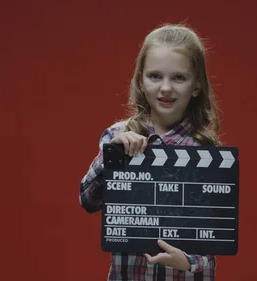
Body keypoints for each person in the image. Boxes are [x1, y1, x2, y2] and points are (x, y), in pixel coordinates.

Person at [79, 23, 222, 281]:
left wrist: (188, 262)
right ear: (140, 82)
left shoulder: (207, 153)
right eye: (155, 76)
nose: (165, 88)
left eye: (179, 77)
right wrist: (111, 157)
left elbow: (213, 242)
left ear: (197, 85)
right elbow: (88, 200)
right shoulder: (116, 136)